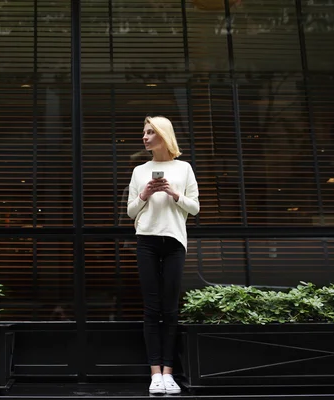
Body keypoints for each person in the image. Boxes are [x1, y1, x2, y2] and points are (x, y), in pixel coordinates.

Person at [126, 115, 200, 395]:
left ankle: (169, 373)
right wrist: (145, 193)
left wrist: (173, 193)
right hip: (146, 239)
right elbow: (131, 212)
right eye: (143, 133)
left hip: (174, 241)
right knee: (151, 308)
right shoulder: (139, 170)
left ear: (162, 135)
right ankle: (155, 374)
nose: (144, 137)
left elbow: (195, 208)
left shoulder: (183, 168)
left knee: (169, 309)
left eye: (149, 133)